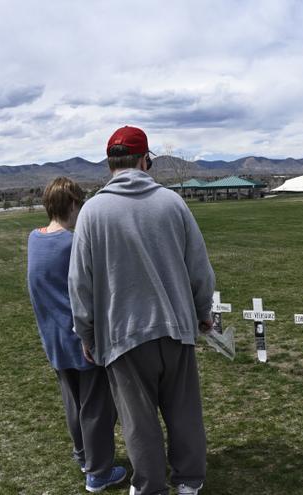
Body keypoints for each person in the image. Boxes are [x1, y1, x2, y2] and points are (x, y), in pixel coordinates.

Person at [69, 126, 215, 495]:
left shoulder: (92, 212)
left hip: (123, 334)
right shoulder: (172, 203)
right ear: (144, 159)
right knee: (184, 412)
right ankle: (188, 481)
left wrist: (86, 332)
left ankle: (150, 486)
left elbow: (80, 284)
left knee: (139, 421)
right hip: (176, 328)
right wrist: (202, 311)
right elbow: (199, 267)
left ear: (110, 163)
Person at [26, 177, 126, 493]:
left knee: (74, 403)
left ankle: (84, 455)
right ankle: (98, 472)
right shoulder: (74, 243)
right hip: (82, 340)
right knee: (97, 407)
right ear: (72, 205)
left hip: (53, 340)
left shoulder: (34, 238)